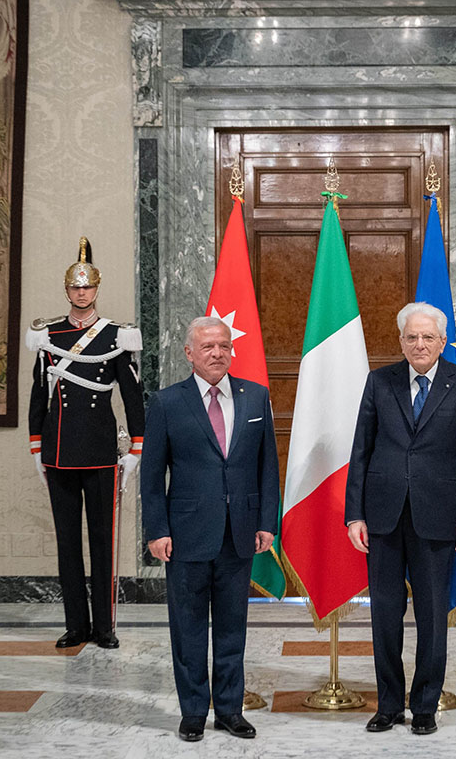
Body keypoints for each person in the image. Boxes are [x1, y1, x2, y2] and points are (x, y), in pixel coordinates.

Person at [344, 302, 456, 736]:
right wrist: (354, 514)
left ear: (442, 342)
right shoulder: (379, 381)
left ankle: (424, 705)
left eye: (427, 337)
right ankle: (389, 704)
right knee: (385, 615)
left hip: (439, 515)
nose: (419, 344)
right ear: (401, 341)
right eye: (411, 337)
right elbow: (361, 450)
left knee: (432, 615)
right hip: (383, 515)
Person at [139, 316, 279, 743]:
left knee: (233, 627)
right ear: (189, 353)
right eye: (207, 347)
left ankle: (231, 710)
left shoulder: (255, 397)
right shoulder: (166, 402)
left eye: (223, 345)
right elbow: (152, 475)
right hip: (185, 535)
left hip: (239, 532)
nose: (217, 353)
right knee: (189, 628)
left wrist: (266, 522)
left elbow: (267, 467)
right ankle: (194, 712)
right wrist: (156, 530)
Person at [26, 237, 144, 651]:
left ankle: (104, 627)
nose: (81, 293)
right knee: (67, 544)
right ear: (67, 290)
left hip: (99, 451)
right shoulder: (48, 335)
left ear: (96, 288)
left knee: (103, 542)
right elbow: (38, 395)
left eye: (87, 286)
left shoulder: (116, 335)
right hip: (59, 450)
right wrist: (36, 447)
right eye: (75, 287)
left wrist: (136, 448)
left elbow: (132, 396)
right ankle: (76, 625)